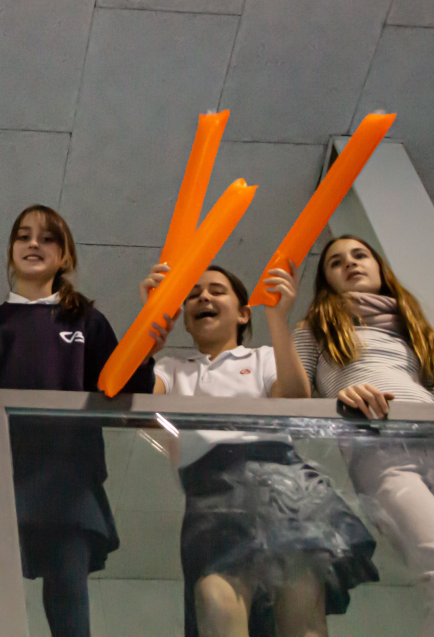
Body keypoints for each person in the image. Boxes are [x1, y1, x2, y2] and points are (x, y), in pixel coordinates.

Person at [0, 205, 158, 637]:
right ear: (10, 251)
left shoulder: (87, 322)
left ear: (65, 256)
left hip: (69, 479)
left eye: (47, 237)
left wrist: (150, 336)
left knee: (69, 595)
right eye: (23, 236)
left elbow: (127, 392)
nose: (33, 244)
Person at [142, 263, 376, 637]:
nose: (204, 297)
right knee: (216, 600)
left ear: (243, 313)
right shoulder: (171, 368)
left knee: (300, 612)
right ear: (184, 319)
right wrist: (148, 325)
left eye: (217, 290)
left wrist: (278, 318)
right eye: (193, 295)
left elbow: (295, 398)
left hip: (282, 480)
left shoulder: (263, 357)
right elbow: (137, 405)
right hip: (210, 491)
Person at [293, 235, 434, 637]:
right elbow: (294, 396)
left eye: (360, 255)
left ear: (379, 267)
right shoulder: (314, 328)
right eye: (335, 262)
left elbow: (432, 388)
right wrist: (337, 397)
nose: (350, 263)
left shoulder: (411, 327)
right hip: (377, 446)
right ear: (326, 280)